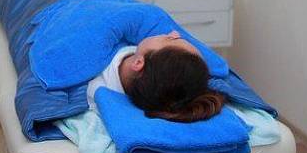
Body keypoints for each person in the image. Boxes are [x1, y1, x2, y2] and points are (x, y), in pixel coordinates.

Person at [85, 30, 225, 123]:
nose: (174, 32)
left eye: (170, 39)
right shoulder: (145, 59)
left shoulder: (93, 86)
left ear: (139, 63)